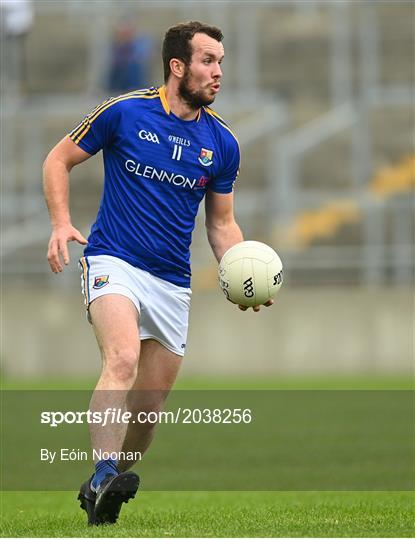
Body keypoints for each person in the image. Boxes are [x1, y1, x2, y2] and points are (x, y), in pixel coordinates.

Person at [43, 21, 273, 526]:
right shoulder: (124, 113)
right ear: (178, 66)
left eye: (221, 62)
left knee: (148, 410)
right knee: (121, 358)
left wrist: (240, 274)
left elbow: (222, 223)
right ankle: (104, 471)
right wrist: (61, 223)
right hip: (113, 260)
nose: (218, 73)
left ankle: (106, 489)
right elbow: (58, 160)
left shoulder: (222, 143)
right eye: (208, 61)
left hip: (172, 282)